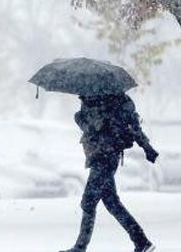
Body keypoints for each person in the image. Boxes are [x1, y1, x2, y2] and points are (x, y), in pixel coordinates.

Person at [60, 93, 159, 252]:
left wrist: (147, 148)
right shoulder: (104, 99)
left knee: (88, 201)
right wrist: (80, 117)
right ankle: (142, 242)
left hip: (105, 157)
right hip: (101, 156)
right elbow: (132, 127)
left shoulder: (107, 100)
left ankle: (80, 247)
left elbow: (100, 127)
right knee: (112, 203)